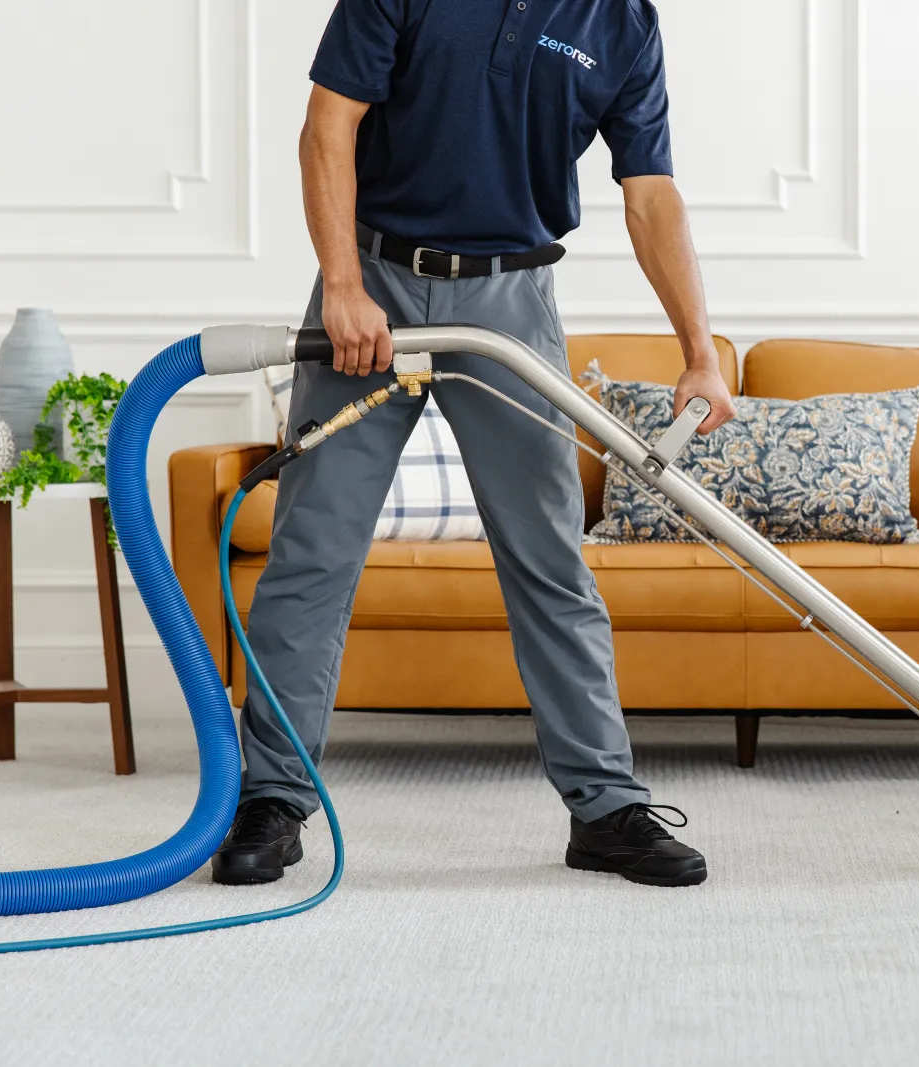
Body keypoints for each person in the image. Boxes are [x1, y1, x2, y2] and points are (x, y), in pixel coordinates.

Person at [211, 0, 737, 889]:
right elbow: (327, 124)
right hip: (373, 287)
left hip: (511, 303)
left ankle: (604, 806)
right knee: (311, 553)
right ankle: (272, 796)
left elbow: (650, 195)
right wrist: (341, 284)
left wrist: (699, 352)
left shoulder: (624, 24)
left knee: (549, 563)